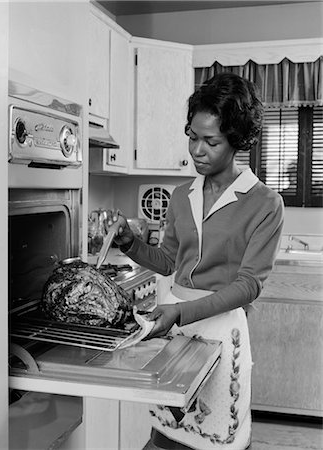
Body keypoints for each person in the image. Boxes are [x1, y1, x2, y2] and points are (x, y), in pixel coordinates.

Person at [107, 72, 284, 450]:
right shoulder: (181, 194)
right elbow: (170, 261)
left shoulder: (265, 203)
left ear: (236, 141)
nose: (197, 150)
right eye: (192, 136)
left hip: (221, 333)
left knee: (219, 437)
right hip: (175, 330)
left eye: (211, 141)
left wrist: (180, 313)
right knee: (167, 433)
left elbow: (249, 284)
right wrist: (129, 243)